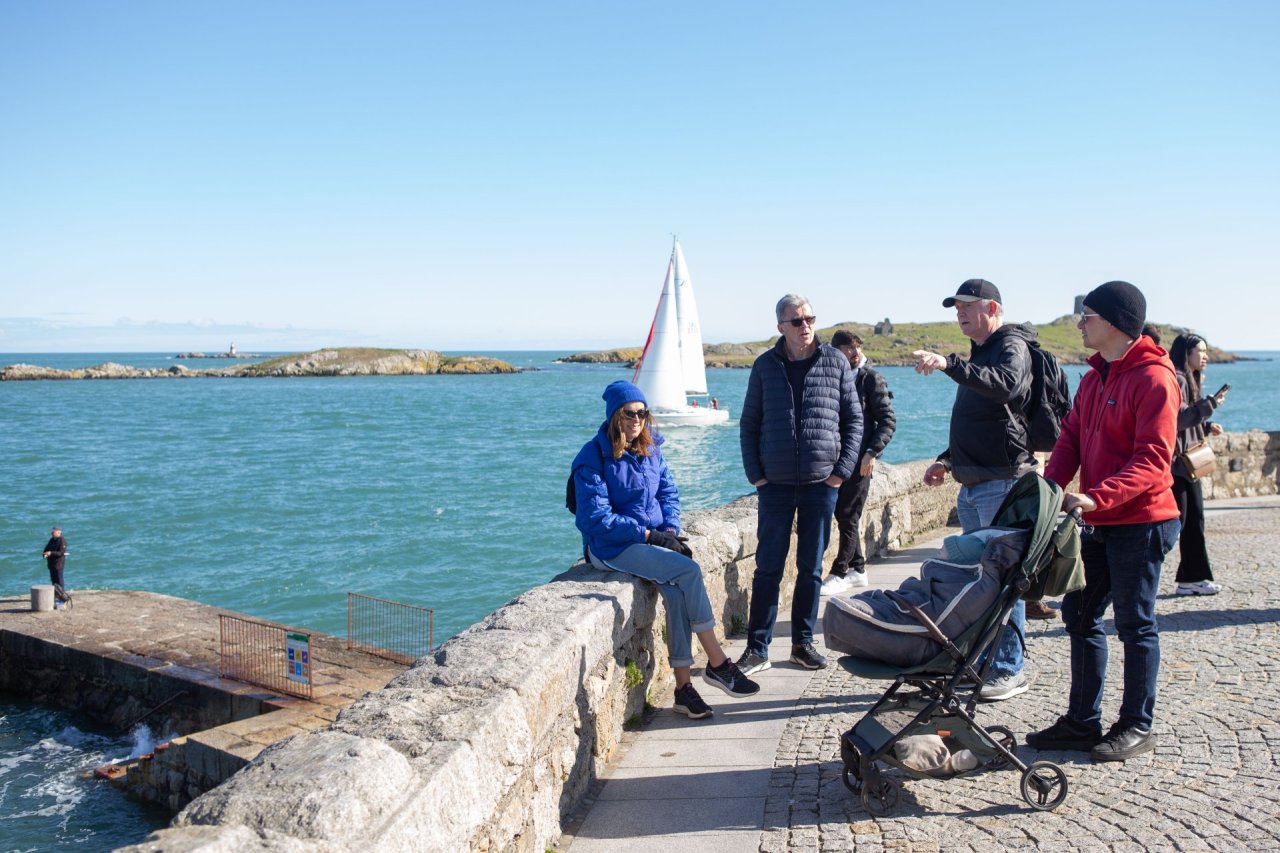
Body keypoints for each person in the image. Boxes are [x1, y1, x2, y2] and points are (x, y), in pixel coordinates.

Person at [1027, 281, 1181, 761]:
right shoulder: (1095, 378)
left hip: (1143, 520)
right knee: (1079, 613)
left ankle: (1137, 724)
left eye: (1087, 315)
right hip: (1099, 520)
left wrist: (1097, 497)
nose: (1080, 323)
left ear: (1114, 322)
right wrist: (1049, 494)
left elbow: (1154, 459)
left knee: (1135, 624)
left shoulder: (1154, 379)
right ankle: (1082, 720)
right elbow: (1069, 439)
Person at [573, 380, 760, 719]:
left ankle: (683, 689)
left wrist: (670, 530)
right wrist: (648, 535)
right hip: (611, 546)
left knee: (675, 595)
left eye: (643, 413)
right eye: (629, 413)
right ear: (615, 415)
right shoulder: (592, 458)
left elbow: (668, 493)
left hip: (650, 538)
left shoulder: (651, 449)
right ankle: (718, 663)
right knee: (689, 571)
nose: (637, 420)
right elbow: (595, 518)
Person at [913, 279, 1038, 701]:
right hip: (974, 485)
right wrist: (946, 461)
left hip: (1001, 483)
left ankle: (1008, 669)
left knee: (1004, 579)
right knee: (978, 582)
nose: (960, 314)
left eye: (967, 306)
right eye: (956, 308)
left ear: (992, 308)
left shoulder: (1010, 345)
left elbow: (1005, 385)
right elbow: (983, 421)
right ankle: (983, 662)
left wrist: (949, 364)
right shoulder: (981, 352)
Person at [738, 295, 862, 675]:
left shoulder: (835, 361)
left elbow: (853, 420)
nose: (805, 325)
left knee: (811, 569)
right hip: (773, 484)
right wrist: (755, 474)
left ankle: (802, 645)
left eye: (809, 318)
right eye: (796, 320)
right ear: (781, 327)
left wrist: (840, 472)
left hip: (820, 484)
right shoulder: (764, 366)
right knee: (767, 568)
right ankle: (757, 649)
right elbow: (749, 423)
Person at [821, 331, 896, 594]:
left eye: (857, 348)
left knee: (848, 514)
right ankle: (859, 569)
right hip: (837, 460)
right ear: (835, 351)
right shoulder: (834, 378)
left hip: (861, 459)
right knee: (843, 514)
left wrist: (872, 452)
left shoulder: (870, 379)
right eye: (848, 348)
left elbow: (887, 421)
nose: (855, 353)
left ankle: (841, 571)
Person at [1168, 333, 1229, 595]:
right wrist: (1210, 405)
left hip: (1186, 462)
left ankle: (1192, 577)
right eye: (1200, 351)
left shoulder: (1189, 379)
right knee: (1182, 523)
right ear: (1186, 353)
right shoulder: (1180, 379)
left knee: (1192, 521)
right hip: (1179, 463)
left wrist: (1205, 424)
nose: (1205, 356)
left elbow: (1188, 421)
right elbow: (1177, 419)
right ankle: (1189, 577)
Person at [43, 526, 70, 608]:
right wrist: (44, 554)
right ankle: (56, 595)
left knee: (59, 581)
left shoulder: (62, 540)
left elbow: (61, 552)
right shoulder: (51, 540)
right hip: (51, 564)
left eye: (53, 532)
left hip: (58, 564)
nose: (51, 533)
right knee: (54, 582)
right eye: (51, 532)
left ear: (59, 532)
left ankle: (62, 597)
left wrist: (51, 553)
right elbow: (46, 549)